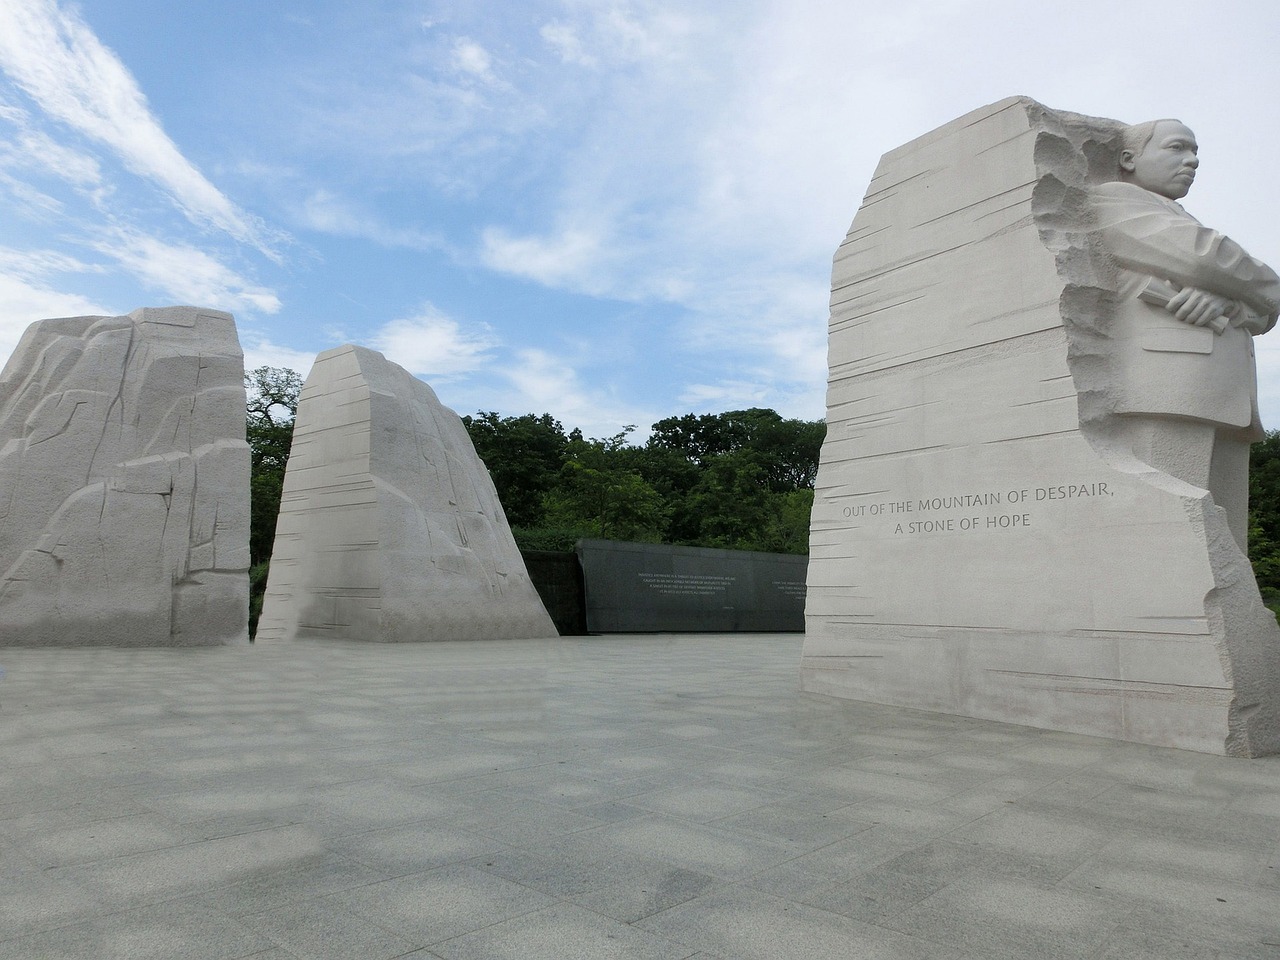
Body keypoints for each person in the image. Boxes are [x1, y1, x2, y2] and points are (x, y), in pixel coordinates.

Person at [1092, 119, 1280, 551]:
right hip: (1169, 388)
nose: (1192, 161)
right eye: (1177, 148)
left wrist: (1229, 301)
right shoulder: (1114, 199)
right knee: (1169, 535)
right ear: (1129, 159)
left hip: (1223, 394)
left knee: (1225, 541)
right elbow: (1205, 258)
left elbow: (1262, 313)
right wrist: (1263, 286)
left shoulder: (1177, 216)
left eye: (1195, 153)